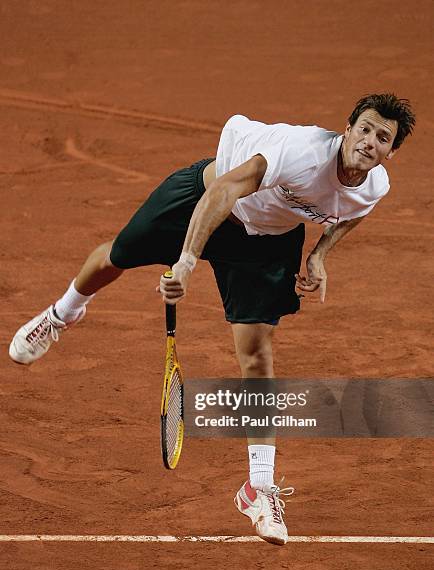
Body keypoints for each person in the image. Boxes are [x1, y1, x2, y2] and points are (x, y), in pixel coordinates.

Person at [9, 93, 416, 545]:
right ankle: (63, 313)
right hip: (205, 197)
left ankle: (257, 487)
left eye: (383, 137)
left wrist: (319, 254)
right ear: (348, 128)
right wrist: (186, 260)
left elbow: (349, 215)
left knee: (257, 357)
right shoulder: (301, 153)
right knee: (117, 256)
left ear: (390, 152)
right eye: (365, 129)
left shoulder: (374, 186)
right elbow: (224, 189)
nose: (370, 141)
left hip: (265, 242)